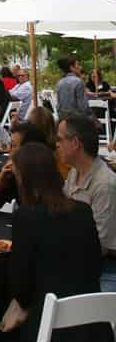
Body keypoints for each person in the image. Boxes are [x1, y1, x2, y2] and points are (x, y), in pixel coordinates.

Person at [8, 142, 114, 342]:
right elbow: (94, 266)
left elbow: (21, 287)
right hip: (97, 341)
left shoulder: (26, 218)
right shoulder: (83, 212)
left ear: (25, 178)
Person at [58, 114, 116, 291]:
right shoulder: (75, 172)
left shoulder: (105, 185)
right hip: (80, 259)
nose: (57, 145)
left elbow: (100, 245)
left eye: (60, 139)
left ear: (75, 143)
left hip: (105, 269)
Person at [0, 123, 47, 212]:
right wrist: (0, 182)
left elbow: (35, 211)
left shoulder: (45, 177)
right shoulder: (13, 174)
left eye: (14, 146)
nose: (10, 152)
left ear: (29, 149)